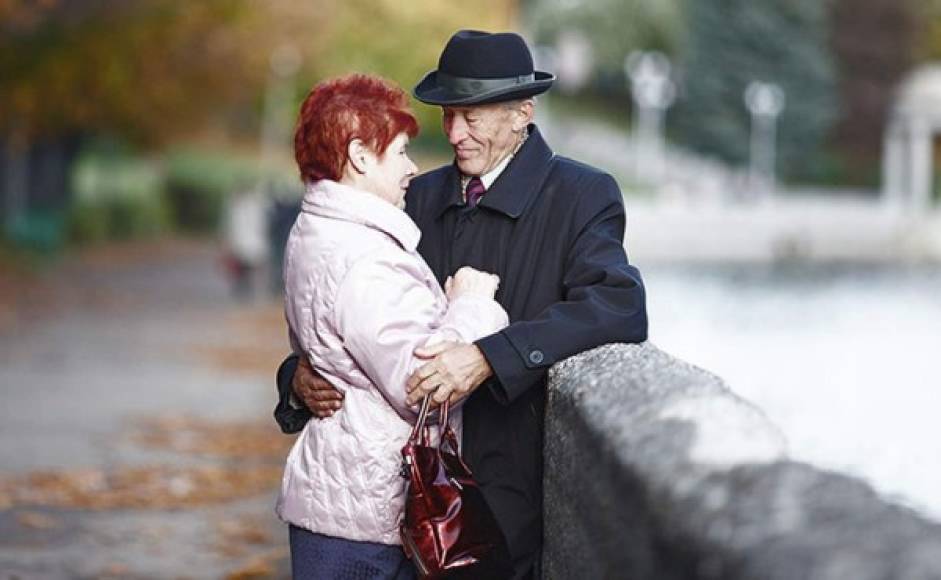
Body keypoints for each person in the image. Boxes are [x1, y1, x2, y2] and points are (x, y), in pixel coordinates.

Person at [275, 31, 649, 579]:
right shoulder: (416, 197)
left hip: (506, 497)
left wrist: (489, 356)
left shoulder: (582, 195)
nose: (453, 132)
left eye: (472, 116)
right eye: (448, 114)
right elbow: (345, 307)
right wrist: (297, 376)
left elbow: (619, 307)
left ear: (524, 112)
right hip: (396, 505)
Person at [277, 73, 508, 579]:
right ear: (360, 156)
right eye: (401, 152)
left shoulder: (318, 230)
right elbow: (422, 385)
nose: (412, 167)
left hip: (339, 502)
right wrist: (474, 307)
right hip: (364, 521)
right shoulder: (365, 257)